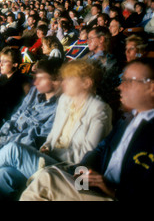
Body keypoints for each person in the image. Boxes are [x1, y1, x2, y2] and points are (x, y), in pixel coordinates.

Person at [20, 58, 154, 201]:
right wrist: (80, 181)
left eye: (129, 81)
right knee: (10, 174)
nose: (120, 87)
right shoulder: (127, 120)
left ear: (151, 87)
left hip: (114, 194)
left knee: (46, 177)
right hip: (95, 187)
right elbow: (98, 150)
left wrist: (112, 189)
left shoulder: (104, 110)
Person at [0, 60, 113, 200]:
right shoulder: (65, 100)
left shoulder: (100, 110)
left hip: (69, 169)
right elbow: (52, 136)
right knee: (4, 173)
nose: (64, 82)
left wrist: (54, 152)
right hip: (51, 159)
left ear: (87, 83)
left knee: (13, 149)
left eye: (69, 79)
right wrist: (46, 146)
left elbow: (87, 155)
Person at [0, 58, 63, 175]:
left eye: (41, 78)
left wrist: (1, 140)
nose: (35, 82)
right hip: (4, 137)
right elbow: (16, 116)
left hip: (18, 147)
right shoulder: (35, 92)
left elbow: (36, 139)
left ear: (55, 80)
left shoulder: (60, 108)